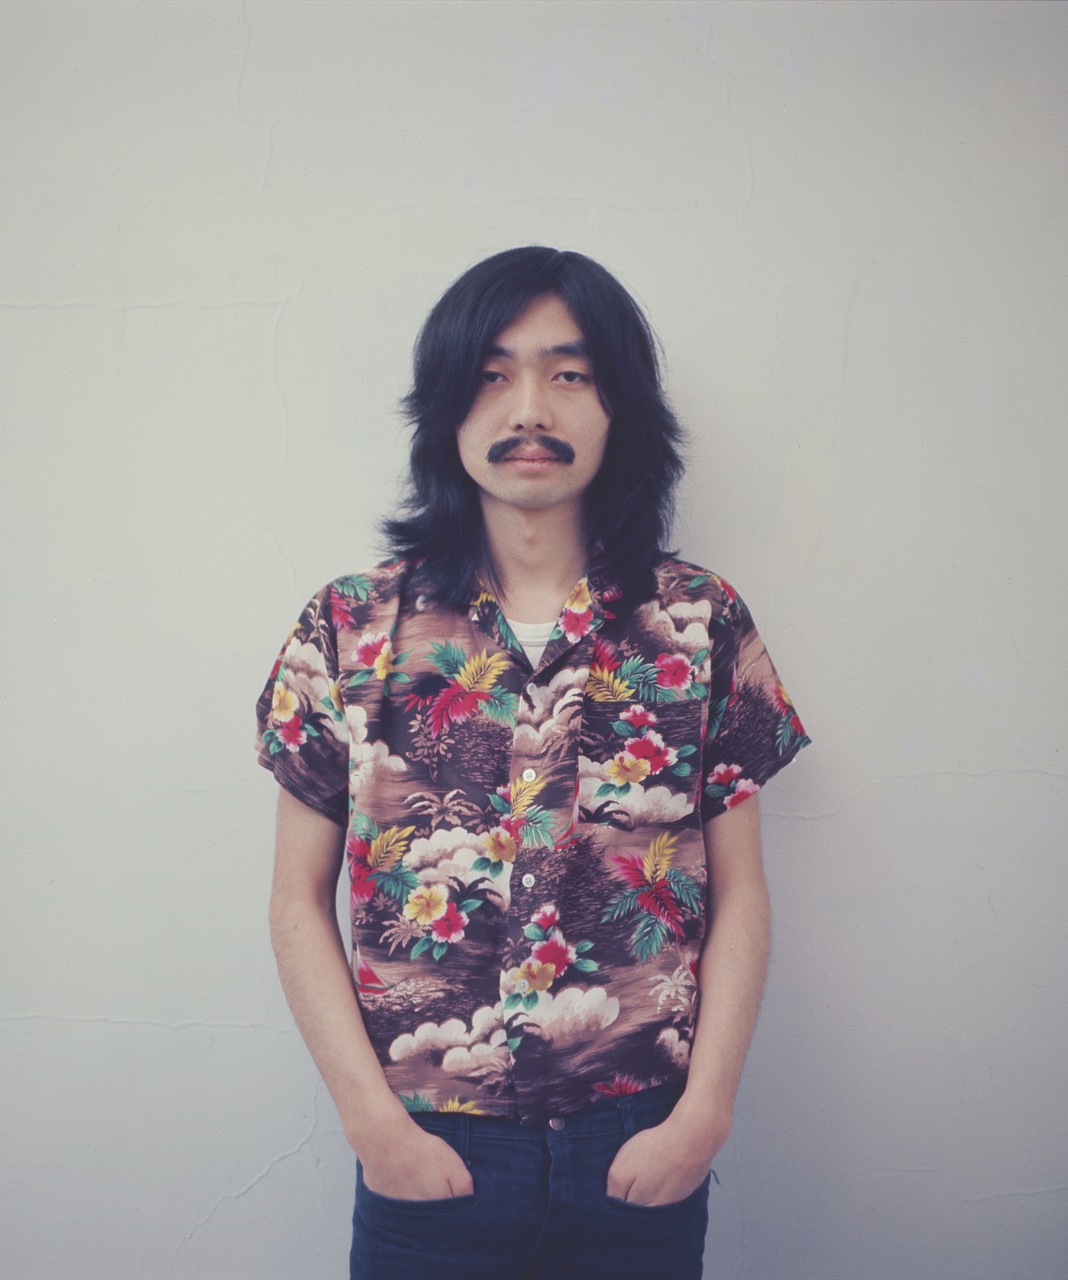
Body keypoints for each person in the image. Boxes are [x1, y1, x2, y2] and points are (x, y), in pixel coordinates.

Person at [256, 246, 809, 1279]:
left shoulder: (698, 621)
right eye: (491, 375)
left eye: (569, 374)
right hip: (429, 1145)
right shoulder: (347, 627)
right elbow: (296, 898)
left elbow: (742, 891)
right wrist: (373, 1124)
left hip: (639, 1139)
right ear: (445, 408)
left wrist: (705, 1114)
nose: (529, 411)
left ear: (618, 407)